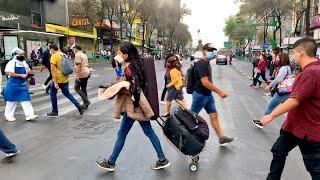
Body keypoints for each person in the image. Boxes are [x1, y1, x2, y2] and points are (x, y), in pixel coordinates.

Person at [96, 42, 170, 172]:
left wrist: (118, 88)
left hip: (134, 106)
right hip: (138, 105)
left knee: (122, 134)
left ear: (126, 55)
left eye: (119, 53)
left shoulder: (129, 68)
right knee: (148, 132)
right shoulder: (136, 64)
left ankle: (111, 162)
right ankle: (162, 159)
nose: (117, 55)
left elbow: (134, 89)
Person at [259, 37, 320, 180]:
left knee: (315, 169)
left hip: (308, 130)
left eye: (293, 53)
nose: (292, 57)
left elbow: (294, 100)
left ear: (301, 53)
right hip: (293, 127)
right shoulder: (310, 70)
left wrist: (271, 115)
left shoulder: (311, 72)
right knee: (278, 151)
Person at [191, 43, 234, 146]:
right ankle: (184, 137)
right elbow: (205, 82)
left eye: (212, 50)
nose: (211, 52)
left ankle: (221, 138)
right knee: (191, 118)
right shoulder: (201, 64)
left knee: (214, 115)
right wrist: (219, 91)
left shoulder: (206, 63)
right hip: (200, 95)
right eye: (209, 50)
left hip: (207, 95)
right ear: (204, 51)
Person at [252, 53, 292, 128]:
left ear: (282, 59)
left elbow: (279, 79)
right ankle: (291, 126)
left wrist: (269, 86)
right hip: (287, 91)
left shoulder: (284, 68)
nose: (275, 60)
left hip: (282, 92)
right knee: (288, 110)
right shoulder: (287, 67)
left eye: (277, 58)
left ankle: (262, 122)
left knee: (270, 106)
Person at [46, 44, 84, 117]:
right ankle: (79, 107)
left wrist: (55, 82)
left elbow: (53, 70)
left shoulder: (54, 56)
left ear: (52, 49)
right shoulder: (63, 54)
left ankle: (55, 111)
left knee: (53, 94)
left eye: (49, 49)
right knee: (67, 94)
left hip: (58, 78)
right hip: (65, 77)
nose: (49, 51)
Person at [2, 48, 38, 121]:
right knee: (11, 101)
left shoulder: (24, 63)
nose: (22, 56)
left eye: (22, 54)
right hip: (12, 85)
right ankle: (8, 115)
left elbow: (28, 71)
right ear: (15, 55)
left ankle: (29, 115)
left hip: (22, 85)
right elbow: (8, 73)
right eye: (20, 54)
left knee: (26, 99)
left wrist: (31, 72)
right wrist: (21, 75)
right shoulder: (11, 63)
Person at [72, 44, 91, 109]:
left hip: (82, 73)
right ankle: (85, 104)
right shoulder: (84, 54)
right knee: (83, 88)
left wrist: (77, 75)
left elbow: (78, 65)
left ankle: (86, 101)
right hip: (87, 72)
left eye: (74, 49)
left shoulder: (77, 55)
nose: (73, 50)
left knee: (76, 88)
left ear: (76, 49)